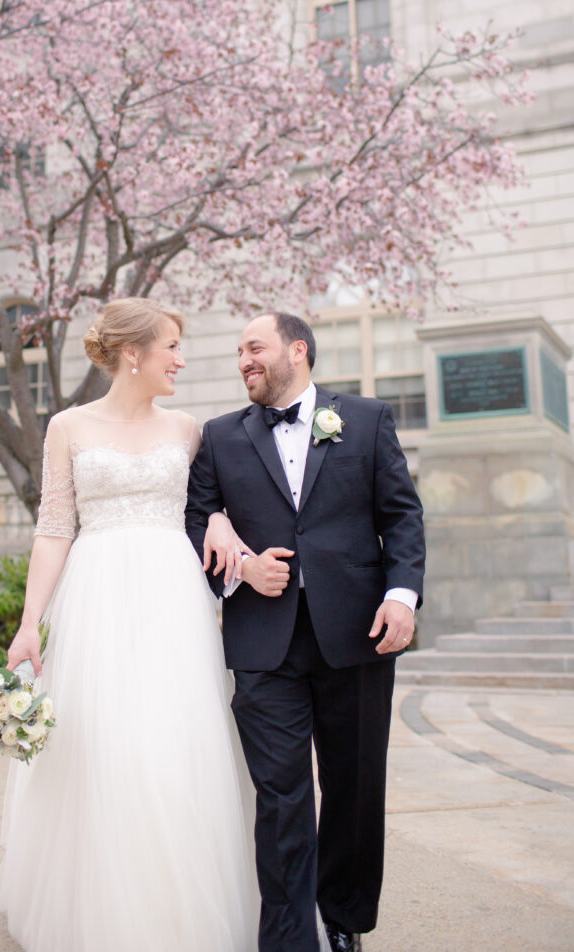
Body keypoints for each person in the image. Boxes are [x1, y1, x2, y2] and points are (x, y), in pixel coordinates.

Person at [0, 297, 260, 952]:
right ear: (132, 353)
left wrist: (219, 521)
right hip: (97, 595)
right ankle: (97, 914)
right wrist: (31, 624)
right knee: (100, 743)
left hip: (172, 597)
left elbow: (206, 508)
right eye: (170, 346)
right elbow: (54, 530)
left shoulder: (189, 428)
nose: (181, 359)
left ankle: (176, 914)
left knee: (171, 743)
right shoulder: (67, 427)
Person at [186, 311, 425, 952]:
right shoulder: (219, 436)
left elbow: (401, 515)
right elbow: (195, 524)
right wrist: (241, 568)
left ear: (298, 350)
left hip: (358, 637)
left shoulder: (368, 420)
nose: (243, 360)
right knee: (282, 797)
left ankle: (342, 921)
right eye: (238, 352)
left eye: (254, 347)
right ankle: (289, 939)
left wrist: (402, 597)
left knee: (352, 788)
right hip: (265, 645)